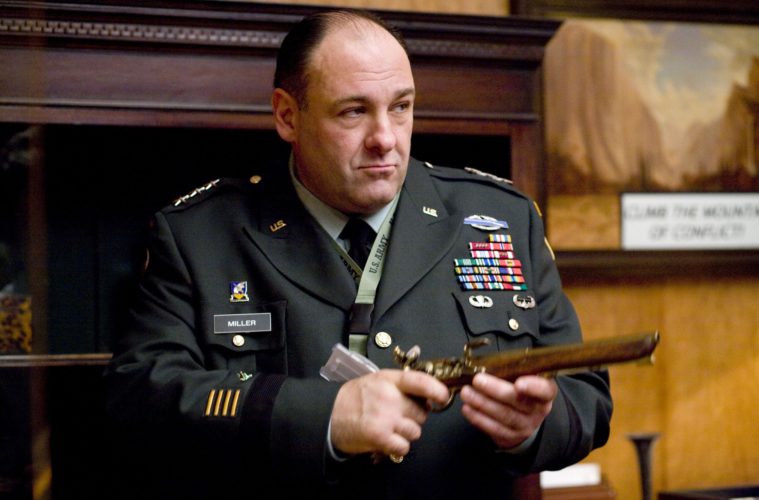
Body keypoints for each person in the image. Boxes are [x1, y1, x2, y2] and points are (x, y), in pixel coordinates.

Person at [104, 8, 611, 499]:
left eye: (401, 107)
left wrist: (532, 426)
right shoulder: (199, 235)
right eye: (354, 111)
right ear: (287, 115)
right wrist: (324, 416)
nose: (385, 139)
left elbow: (587, 396)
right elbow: (140, 400)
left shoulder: (501, 217)